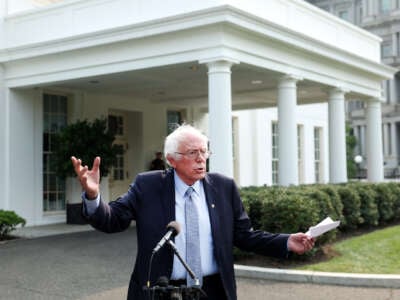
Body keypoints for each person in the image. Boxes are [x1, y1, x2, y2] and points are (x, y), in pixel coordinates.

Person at [71, 124, 315, 300]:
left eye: (204, 151)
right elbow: (113, 220)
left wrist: (286, 242)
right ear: (172, 159)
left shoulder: (223, 187)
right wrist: (93, 196)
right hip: (162, 291)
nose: (201, 159)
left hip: (212, 291)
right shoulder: (148, 185)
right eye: (192, 153)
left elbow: (244, 236)